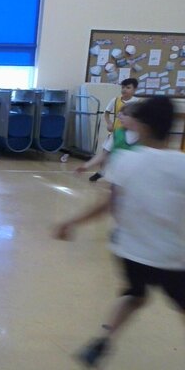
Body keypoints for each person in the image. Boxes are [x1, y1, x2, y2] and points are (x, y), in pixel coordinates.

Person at [53, 96, 185, 368]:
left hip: (130, 252)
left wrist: (72, 222)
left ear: (145, 127)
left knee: (134, 296)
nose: (129, 123)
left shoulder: (125, 160)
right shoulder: (180, 164)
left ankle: (103, 340)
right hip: (172, 256)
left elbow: (108, 205)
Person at [87, 78, 139, 182]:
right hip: (116, 132)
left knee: (124, 156)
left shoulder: (137, 102)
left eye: (128, 87)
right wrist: (109, 123)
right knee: (106, 152)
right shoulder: (115, 100)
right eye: (123, 87)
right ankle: (101, 172)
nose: (124, 90)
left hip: (130, 134)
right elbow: (106, 113)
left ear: (134, 90)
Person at [75, 102, 139, 174]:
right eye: (120, 113)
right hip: (118, 177)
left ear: (136, 118)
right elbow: (104, 154)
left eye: (125, 114)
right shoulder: (117, 134)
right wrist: (87, 165)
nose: (119, 116)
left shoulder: (146, 137)